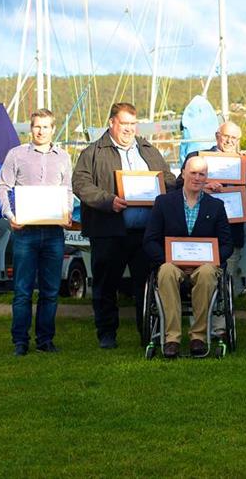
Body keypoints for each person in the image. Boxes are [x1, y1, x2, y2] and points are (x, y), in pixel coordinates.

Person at [72, 102, 177, 349]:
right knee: (106, 285)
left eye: (133, 124)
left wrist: (163, 192)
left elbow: (169, 180)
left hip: (146, 233)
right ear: (112, 123)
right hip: (108, 230)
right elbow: (81, 184)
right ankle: (107, 334)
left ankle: (148, 333)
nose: (129, 129)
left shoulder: (149, 151)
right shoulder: (93, 152)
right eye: (124, 124)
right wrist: (108, 201)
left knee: (148, 285)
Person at [0, 109, 72, 356]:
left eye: (46, 127)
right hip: (24, 232)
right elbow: (3, 186)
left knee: (50, 290)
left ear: (53, 129)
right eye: (37, 126)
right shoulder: (16, 155)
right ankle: (20, 341)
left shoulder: (63, 157)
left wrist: (67, 212)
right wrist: (10, 215)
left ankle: (45, 340)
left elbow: (67, 190)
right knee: (23, 290)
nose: (41, 131)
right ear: (31, 128)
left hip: (53, 233)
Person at [143, 156, 233, 358]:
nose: (197, 177)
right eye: (193, 172)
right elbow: (150, 240)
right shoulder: (164, 202)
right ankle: (171, 338)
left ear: (206, 177)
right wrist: (169, 259)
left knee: (208, 272)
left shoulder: (216, 206)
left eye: (202, 174)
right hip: (172, 264)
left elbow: (227, 244)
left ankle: (198, 336)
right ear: (183, 173)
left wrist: (212, 259)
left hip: (204, 266)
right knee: (165, 271)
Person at [177, 121, 246, 292]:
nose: (229, 141)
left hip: (232, 229)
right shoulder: (197, 156)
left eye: (234, 138)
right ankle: (201, 316)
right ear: (217, 136)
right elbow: (177, 186)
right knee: (200, 278)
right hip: (201, 230)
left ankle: (223, 317)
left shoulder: (242, 161)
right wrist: (203, 186)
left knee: (229, 277)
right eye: (226, 136)